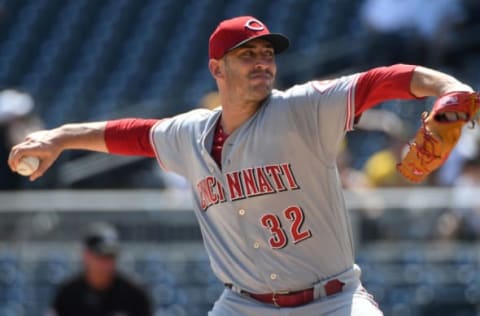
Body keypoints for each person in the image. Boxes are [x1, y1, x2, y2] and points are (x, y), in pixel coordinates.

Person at [9, 16, 476, 315]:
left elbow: (384, 80)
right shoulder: (188, 133)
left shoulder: (301, 109)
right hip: (242, 305)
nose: (262, 63)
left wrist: (449, 88)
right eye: (247, 55)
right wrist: (62, 136)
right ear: (217, 69)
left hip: (331, 301)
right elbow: (130, 134)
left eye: (267, 54)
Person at [47, 222, 151, 316]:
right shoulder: (68, 294)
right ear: (86, 255)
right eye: (101, 256)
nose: (107, 263)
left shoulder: (134, 293)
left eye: (111, 256)